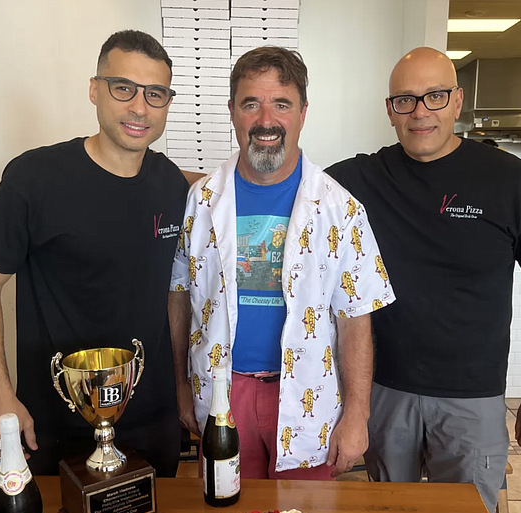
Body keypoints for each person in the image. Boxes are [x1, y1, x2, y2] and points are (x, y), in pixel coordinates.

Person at [326, 47, 521, 512]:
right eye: (406, 100)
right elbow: (274, 183)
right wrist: (183, 185)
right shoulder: (357, 180)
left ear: (457, 102)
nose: (420, 113)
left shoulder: (511, 181)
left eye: (435, 96)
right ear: (390, 110)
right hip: (386, 393)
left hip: (472, 399)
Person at [0, 30, 188, 476]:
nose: (139, 107)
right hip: (59, 423)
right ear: (94, 90)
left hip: (154, 421)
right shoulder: (35, 179)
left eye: (155, 94)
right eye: (123, 88)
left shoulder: (171, 184)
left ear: (167, 103)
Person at [169, 47, 394, 480]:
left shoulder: (340, 208)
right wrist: (181, 388)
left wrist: (357, 415)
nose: (266, 120)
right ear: (232, 112)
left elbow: (355, 319)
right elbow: (179, 297)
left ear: (303, 112)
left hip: (306, 398)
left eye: (282, 104)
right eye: (251, 103)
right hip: (222, 393)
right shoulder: (200, 201)